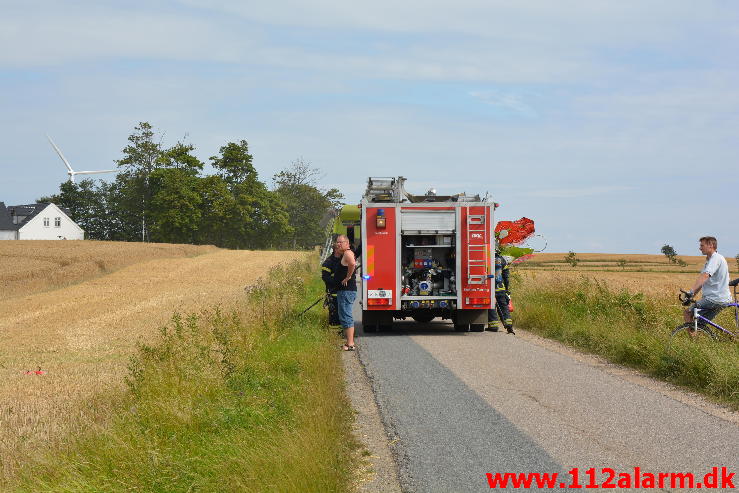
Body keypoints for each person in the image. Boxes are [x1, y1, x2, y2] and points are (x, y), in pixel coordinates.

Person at [683, 236, 732, 327]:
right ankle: (700, 336)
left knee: (688, 313)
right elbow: (702, 282)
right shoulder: (710, 260)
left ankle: (694, 341)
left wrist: (691, 292)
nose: (700, 248)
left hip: (715, 298)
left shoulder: (715, 258)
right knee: (699, 323)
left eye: (702, 245)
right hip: (718, 298)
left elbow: (705, 276)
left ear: (710, 245)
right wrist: (691, 296)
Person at [335, 235, 357, 350]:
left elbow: (352, 264)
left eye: (341, 242)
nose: (338, 244)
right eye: (337, 242)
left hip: (346, 291)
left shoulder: (348, 253)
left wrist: (348, 277)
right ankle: (349, 343)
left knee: (346, 316)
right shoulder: (345, 253)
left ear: (347, 243)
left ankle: (350, 344)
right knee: (344, 315)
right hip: (345, 291)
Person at [488, 250, 514, 334]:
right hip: (501, 288)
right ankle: (509, 325)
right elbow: (506, 277)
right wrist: (506, 289)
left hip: (490, 288)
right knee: (504, 306)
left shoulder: (487, 258)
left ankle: (493, 326)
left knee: (491, 306)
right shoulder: (502, 260)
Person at [321, 241, 342, 329]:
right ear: (336, 250)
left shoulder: (343, 260)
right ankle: (334, 333)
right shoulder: (328, 262)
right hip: (333, 293)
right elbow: (325, 277)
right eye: (340, 248)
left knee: (343, 313)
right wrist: (337, 281)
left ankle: (343, 331)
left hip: (343, 292)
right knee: (334, 314)